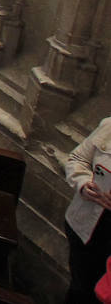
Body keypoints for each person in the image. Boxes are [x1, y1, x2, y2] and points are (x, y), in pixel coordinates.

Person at [64, 115, 111, 304]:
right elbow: (77, 159)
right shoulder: (109, 126)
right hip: (85, 227)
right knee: (79, 289)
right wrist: (84, 183)